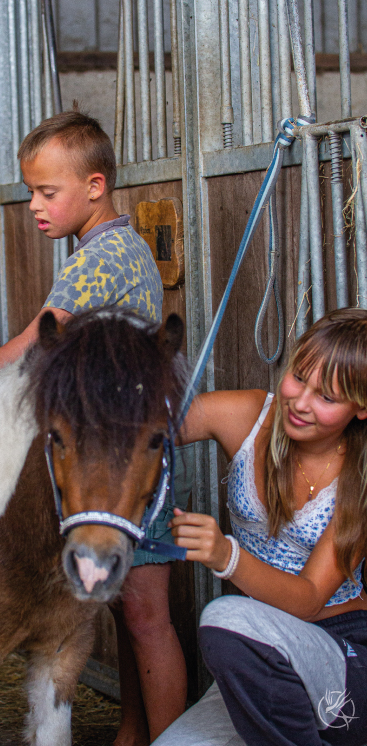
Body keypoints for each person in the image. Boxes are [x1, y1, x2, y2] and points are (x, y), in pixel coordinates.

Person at [0, 108, 187, 745]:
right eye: (30, 194)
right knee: (130, 609)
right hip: (124, 451)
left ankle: (166, 736)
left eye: (49, 193)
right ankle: (133, 732)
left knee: (147, 614)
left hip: (118, 462)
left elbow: (31, 345)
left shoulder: (101, 261)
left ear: (96, 187)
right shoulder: (105, 249)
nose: (35, 208)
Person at [151, 308, 367, 746]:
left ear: (360, 408)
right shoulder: (250, 416)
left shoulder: (358, 479)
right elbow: (149, 427)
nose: (301, 402)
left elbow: (307, 600)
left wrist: (227, 556)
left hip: (341, 657)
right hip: (258, 653)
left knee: (224, 616)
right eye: (299, 378)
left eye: (327, 397)